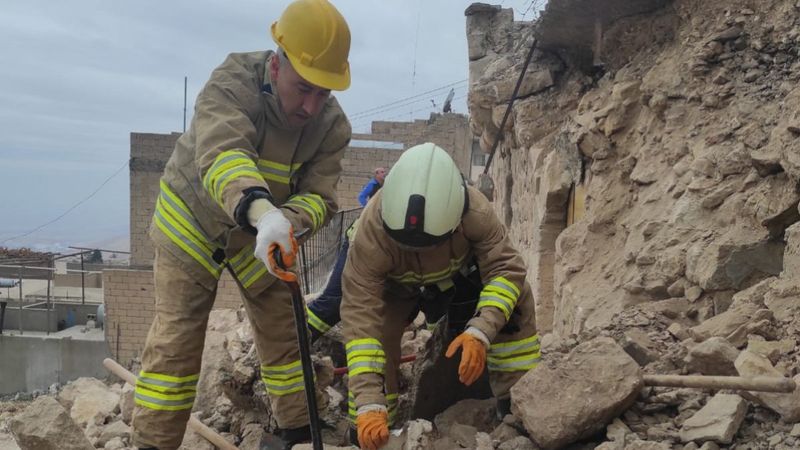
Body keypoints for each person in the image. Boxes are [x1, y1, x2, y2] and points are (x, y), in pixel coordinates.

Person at [130, 1, 352, 449]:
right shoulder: (232, 82)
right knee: (176, 345)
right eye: (303, 88)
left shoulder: (332, 127)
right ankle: (153, 444)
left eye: (323, 93)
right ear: (277, 61)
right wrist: (261, 211)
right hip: (192, 222)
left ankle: (298, 435)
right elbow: (224, 155)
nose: (310, 106)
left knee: (285, 333)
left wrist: (282, 222)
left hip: (260, 235)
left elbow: (320, 198)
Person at [339, 143, 540, 450]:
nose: (419, 252)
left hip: (457, 281)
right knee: (377, 338)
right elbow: (359, 317)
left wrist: (481, 331)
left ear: (457, 221)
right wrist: (368, 404)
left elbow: (505, 270)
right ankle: (373, 426)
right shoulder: (371, 231)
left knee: (515, 305)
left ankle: (518, 402)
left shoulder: (475, 211)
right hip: (397, 290)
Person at [305, 166, 385, 340]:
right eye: (381, 172)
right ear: (376, 174)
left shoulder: (385, 187)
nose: (384, 173)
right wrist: (368, 210)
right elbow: (362, 197)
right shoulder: (374, 186)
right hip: (361, 241)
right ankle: (298, 339)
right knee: (334, 300)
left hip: (371, 242)